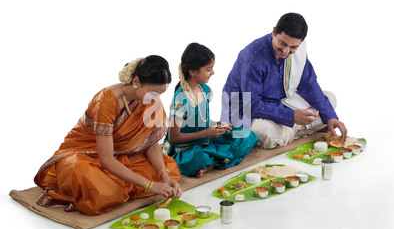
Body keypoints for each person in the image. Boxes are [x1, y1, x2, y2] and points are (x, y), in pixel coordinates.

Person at [34, 55, 182, 216]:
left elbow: (151, 143)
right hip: (84, 155)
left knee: (171, 169)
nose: (156, 98)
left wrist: (164, 177)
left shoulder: (150, 101)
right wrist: (150, 185)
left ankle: (122, 185)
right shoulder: (107, 100)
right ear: (136, 81)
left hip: (122, 154)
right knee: (101, 189)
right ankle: (109, 189)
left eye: (160, 93)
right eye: (153, 92)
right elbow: (106, 159)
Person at [221, 12, 347, 149]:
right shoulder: (254, 56)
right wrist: (291, 116)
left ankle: (291, 130)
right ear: (274, 32)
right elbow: (251, 104)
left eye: (293, 47)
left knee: (330, 99)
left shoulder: (298, 51)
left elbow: (308, 85)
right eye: (283, 43)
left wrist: (330, 117)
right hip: (244, 109)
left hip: (281, 102)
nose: (286, 51)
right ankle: (296, 129)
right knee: (265, 132)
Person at [162, 43, 258, 177]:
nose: (212, 73)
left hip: (206, 140)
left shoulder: (205, 90)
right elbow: (173, 137)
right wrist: (207, 132)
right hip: (187, 149)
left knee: (247, 136)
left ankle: (211, 165)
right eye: (208, 69)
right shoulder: (180, 99)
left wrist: (218, 125)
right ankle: (216, 161)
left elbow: (203, 120)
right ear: (192, 71)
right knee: (197, 159)